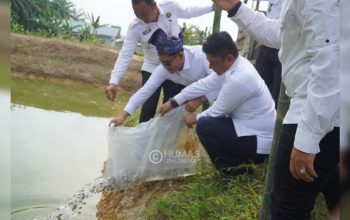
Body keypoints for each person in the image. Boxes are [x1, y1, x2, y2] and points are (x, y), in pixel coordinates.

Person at [212, 0, 340, 219]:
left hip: (315, 109)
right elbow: (285, 33)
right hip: (325, 110)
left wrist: (307, 140)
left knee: (286, 208)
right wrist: (235, 8)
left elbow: (332, 58)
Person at [159, 31, 276, 179]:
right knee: (208, 122)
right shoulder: (236, 65)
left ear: (228, 58)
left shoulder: (240, 78)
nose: (210, 66)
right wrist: (174, 101)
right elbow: (205, 84)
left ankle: (231, 172)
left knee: (205, 125)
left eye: (212, 62)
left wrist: (194, 118)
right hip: (250, 131)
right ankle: (236, 164)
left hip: (260, 144)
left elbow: (216, 112)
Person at [105, 0, 214, 123]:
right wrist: (114, 82)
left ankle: (170, 138)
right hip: (154, 65)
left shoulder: (201, 58)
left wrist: (213, 7)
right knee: (148, 106)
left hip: (176, 65)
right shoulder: (135, 27)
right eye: (138, 15)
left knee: (172, 109)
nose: (142, 18)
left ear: (154, 5)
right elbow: (126, 54)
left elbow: (188, 11)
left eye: (145, 14)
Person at [254, 0, 283, 108]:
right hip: (266, 43)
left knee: (277, 89)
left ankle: (275, 119)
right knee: (260, 83)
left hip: (281, 45)